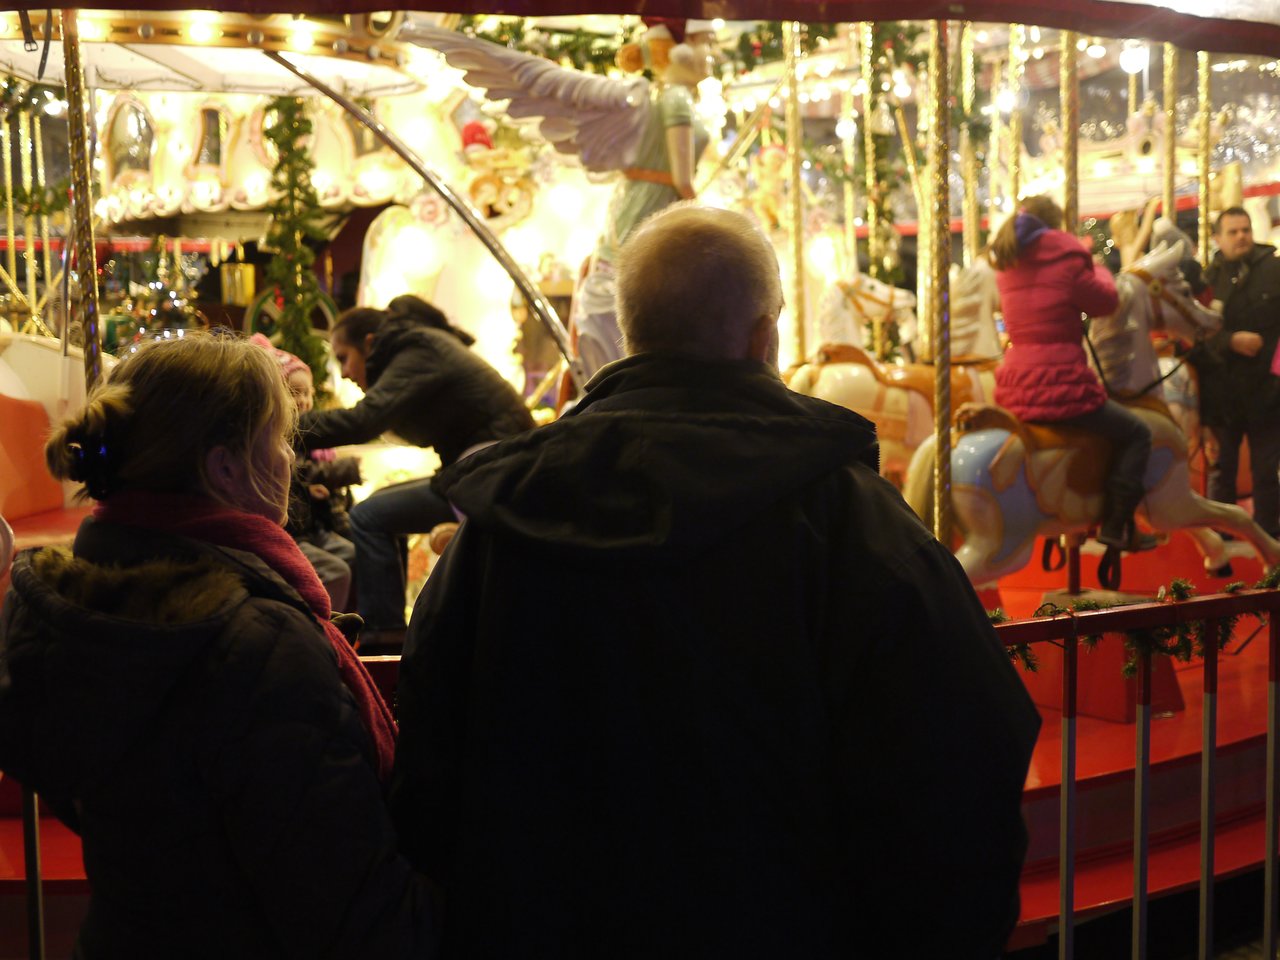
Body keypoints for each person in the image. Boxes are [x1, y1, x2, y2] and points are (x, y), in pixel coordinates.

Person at [391, 204, 1041, 958]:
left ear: (630, 333)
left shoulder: (503, 522)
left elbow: (431, 750)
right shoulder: (848, 519)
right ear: (766, 334)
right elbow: (959, 751)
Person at [0, 334, 434, 958]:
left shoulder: (76, 606)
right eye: (280, 439)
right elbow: (355, 912)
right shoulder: (255, 644)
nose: (290, 460)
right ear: (224, 466)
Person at [297, 295, 534, 648]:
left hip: (492, 473)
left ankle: (384, 638)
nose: (345, 372)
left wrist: (286, 425)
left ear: (369, 342)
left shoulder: (417, 350)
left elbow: (363, 421)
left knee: (368, 516)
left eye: (344, 358)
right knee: (376, 511)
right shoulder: (421, 346)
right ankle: (391, 630)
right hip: (492, 466)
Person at [990, 194, 1157, 551]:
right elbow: (1105, 302)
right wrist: (1096, 267)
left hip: (1017, 383)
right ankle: (1116, 526)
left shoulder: (1007, 258)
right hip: (1060, 382)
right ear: (1055, 223)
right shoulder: (1066, 254)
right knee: (1136, 433)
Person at [569, 19, 716, 376]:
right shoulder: (676, 99)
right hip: (655, 203)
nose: (713, 53)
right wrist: (702, 216)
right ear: (680, 51)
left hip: (646, 200)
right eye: (704, 43)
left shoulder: (668, 98)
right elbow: (682, 178)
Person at [249, 333, 362, 610]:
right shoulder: (278, 436)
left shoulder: (313, 441)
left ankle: (350, 619)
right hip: (296, 530)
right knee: (338, 568)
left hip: (314, 524)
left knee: (355, 552)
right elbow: (298, 474)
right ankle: (324, 623)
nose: (304, 400)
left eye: (308, 393)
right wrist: (329, 477)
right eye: (295, 392)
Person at [1191, 206, 1280, 537]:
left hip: (1268, 391)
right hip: (1224, 395)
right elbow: (1197, 337)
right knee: (1222, 472)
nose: (1242, 236)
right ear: (1217, 237)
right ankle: (1225, 540)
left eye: (1245, 229)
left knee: (1266, 472)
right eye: (1233, 231)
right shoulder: (1207, 281)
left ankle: (1269, 540)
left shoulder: (1274, 269)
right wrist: (1230, 341)